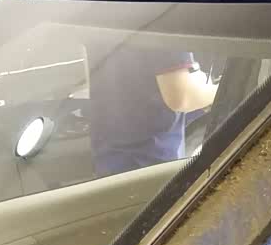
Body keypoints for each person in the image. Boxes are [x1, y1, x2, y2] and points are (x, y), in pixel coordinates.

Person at [88, 45, 217, 175]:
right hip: (149, 157)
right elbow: (182, 98)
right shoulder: (167, 33)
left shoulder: (108, 31)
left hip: (109, 151)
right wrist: (220, 90)